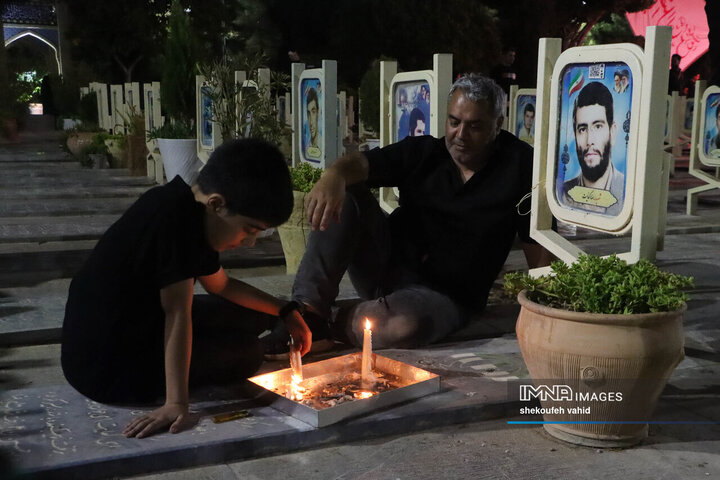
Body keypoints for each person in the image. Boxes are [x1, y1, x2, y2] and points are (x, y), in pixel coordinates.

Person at [261, 73, 552, 356]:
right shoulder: (424, 153)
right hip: (386, 267)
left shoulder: (519, 167)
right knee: (347, 194)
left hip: (447, 296)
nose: (460, 135)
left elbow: (535, 240)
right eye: (454, 122)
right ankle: (309, 308)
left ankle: (324, 323)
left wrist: (545, 307)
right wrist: (334, 175)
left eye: (474, 126)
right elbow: (361, 163)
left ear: (497, 124)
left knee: (401, 325)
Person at [62, 139, 313, 439]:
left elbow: (221, 285)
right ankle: (261, 349)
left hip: (140, 320)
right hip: (105, 361)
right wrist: (176, 403)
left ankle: (282, 335)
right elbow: (177, 315)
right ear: (217, 204)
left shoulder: (188, 207)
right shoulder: (174, 224)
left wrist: (286, 311)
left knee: (252, 316)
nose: (250, 242)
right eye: (249, 229)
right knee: (245, 353)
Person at [562, 81, 624, 216]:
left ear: (612, 132)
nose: (590, 141)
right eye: (582, 129)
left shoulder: (628, 191)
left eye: (598, 126)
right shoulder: (562, 195)